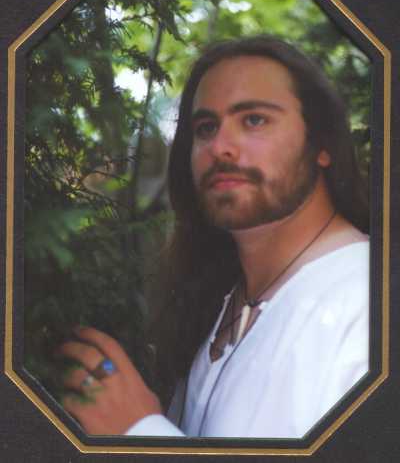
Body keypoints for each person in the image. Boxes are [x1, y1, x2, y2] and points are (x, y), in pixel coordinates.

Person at [59, 36, 369, 438]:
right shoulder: (221, 300)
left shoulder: (365, 302)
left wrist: (141, 430)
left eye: (254, 119)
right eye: (205, 128)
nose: (220, 146)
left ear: (322, 144)